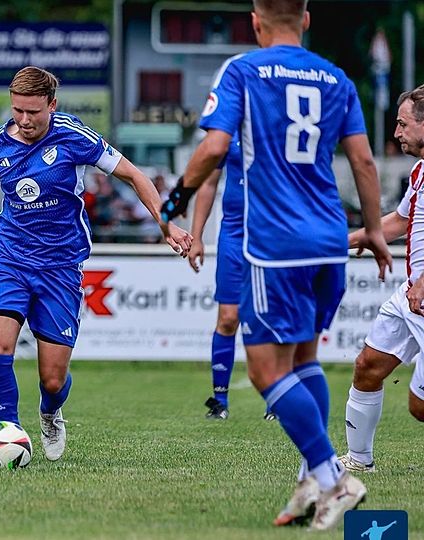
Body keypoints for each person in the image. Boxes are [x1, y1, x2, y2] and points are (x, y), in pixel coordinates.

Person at [160, 0, 392, 530]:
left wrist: (173, 205)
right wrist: (375, 230)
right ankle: (315, 474)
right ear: (306, 19)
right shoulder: (337, 78)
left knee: (267, 371)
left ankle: (334, 477)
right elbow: (363, 161)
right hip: (331, 239)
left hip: (277, 243)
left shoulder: (242, 69)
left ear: (255, 23)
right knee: (304, 358)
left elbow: (214, 147)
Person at [0, 66, 192, 462]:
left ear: (52, 104)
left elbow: (133, 174)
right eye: (17, 112)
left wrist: (165, 224)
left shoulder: (73, 136)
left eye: (33, 112)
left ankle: (49, 410)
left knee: (52, 378)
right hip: (9, 257)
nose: (25, 121)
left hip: (61, 266)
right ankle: (6, 431)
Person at [341, 84, 424, 473]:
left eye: (403, 124)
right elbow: (400, 222)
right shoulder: (420, 171)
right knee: (368, 365)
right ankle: (359, 461)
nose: (396, 133)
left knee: (419, 407)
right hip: (411, 295)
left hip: (422, 292)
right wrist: (341, 242)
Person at [187, 136, 276, 421]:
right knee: (228, 317)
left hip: (273, 234)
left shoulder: (281, 124)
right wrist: (197, 236)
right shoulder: (227, 133)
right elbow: (209, 183)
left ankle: (277, 399)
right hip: (234, 235)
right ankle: (220, 400)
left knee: (270, 317)